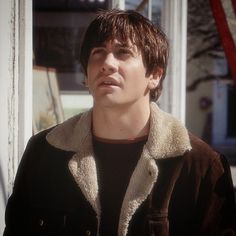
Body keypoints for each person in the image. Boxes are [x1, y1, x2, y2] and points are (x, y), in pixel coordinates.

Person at [3, 9, 236, 236]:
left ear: (154, 74)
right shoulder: (43, 152)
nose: (107, 63)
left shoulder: (200, 165)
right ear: (86, 75)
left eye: (123, 52)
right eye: (98, 52)